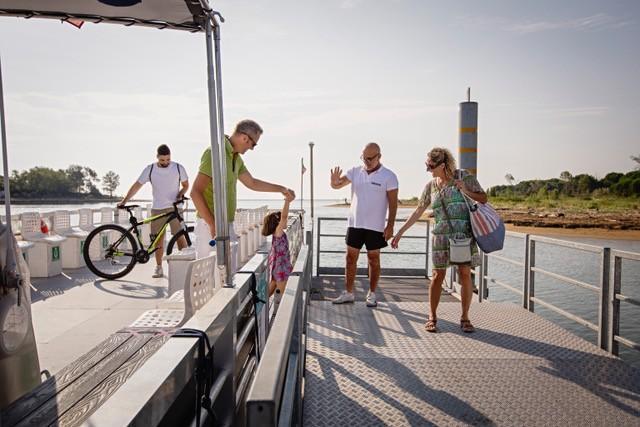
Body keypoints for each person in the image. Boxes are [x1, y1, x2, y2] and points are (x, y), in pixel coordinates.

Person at [391, 147, 487, 333]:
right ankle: (432, 317)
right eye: (426, 165)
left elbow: (483, 198)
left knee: (464, 274)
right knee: (437, 276)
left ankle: (465, 317)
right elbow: (418, 210)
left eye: (430, 166)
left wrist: (465, 189)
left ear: (442, 165)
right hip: (440, 238)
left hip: (463, 235)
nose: (427, 169)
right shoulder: (431, 186)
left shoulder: (464, 176)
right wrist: (400, 232)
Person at [190, 119, 295, 271]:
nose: (252, 148)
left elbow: (252, 183)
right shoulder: (214, 153)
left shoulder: (236, 158)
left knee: (229, 274)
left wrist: (282, 189)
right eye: (253, 144)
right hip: (209, 225)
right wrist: (213, 224)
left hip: (227, 224)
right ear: (245, 138)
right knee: (206, 275)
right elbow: (195, 192)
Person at [330, 142, 398, 307]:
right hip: (355, 224)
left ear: (379, 157)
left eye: (370, 159)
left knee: (373, 259)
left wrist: (390, 226)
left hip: (376, 226)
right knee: (350, 258)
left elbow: (393, 204)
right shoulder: (355, 171)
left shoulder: (389, 176)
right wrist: (333, 182)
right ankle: (348, 293)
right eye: (364, 158)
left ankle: (372, 294)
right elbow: (338, 184)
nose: (366, 162)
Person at [119, 144, 189, 278]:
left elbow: (186, 185)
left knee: (180, 237)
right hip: (157, 208)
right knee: (158, 240)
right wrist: (124, 201)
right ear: (157, 157)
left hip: (175, 208)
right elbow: (137, 185)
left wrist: (181, 193)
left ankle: (186, 267)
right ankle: (158, 267)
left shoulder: (178, 168)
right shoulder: (150, 169)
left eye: (168, 159)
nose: (165, 162)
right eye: (162, 160)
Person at [262, 194, 295, 299]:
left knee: (267, 295)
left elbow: (284, 217)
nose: (286, 221)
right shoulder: (278, 232)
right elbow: (284, 216)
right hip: (281, 269)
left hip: (280, 266)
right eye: (281, 220)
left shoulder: (277, 233)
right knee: (284, 298)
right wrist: (287, 201)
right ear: (278, 222)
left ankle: (254, 307)